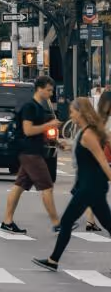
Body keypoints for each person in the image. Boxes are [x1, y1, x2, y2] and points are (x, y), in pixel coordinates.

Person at [32, 97, 111, 271]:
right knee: (108, 224)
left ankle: (53, 261)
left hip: (90, 187)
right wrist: (67, 146)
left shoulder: (89, 134)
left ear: (81, 112)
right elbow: (84, 154)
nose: (71, 115)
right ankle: (53, 261)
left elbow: (102, 161)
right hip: (90, 186)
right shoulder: (83, 132)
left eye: (72, 112)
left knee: (66, 221)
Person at [0, 75, 62, 234]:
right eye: (48, 90)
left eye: (51, 90)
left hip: (31, 151)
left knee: (19, 186)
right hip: (30, 153)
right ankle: (57, 223)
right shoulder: (30, 107)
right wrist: (49, 125)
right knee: (47, 187)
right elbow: (28, 131)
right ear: (39, 89)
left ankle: (7, 221)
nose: (51, 93)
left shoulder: (38, 107)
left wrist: (56, 142)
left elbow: (37, 133)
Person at [85, 91, 111, 232]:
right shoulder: (108, 120)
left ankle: (90, 220)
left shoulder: (96, 120)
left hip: (97, 158)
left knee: (94, 191)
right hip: (106, 159)